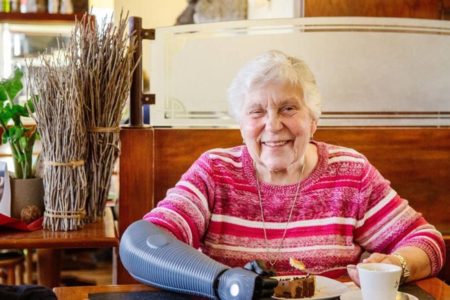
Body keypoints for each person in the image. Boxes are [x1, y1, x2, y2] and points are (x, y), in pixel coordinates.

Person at [120, 50, 445, 299]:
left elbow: (427, 243)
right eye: (257, 111)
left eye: (288, 108)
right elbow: (142, 246)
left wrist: (393, 267)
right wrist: (225, 282)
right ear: (242, 124)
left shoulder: (350, 173)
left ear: (313, 120)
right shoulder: (215, 172)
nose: (273, 125)